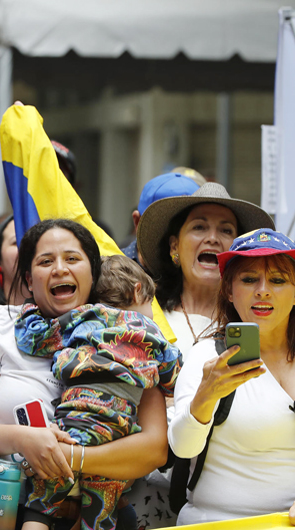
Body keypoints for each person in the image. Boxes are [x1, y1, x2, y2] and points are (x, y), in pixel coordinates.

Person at [0, 219, 170, 530]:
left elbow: (154, 448)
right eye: (45, 261)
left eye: (72, 258)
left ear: (93, 274)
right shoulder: (1, 324)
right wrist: (22, 439)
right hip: (5, 514)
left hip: (99, 508)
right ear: (28, 279)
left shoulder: (122, 334)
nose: (59, 269)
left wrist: (69, 457)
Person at [22, 254, 181, 530]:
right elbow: (173, 376)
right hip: (115, 437)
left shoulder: (82, 316)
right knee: (101, 513)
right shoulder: (152, 333)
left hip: (71, 427)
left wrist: (28, 312)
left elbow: (34, 340)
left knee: (41, 504)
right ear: (137, 290)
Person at [169, 228, 295, 525]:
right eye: (249, 279)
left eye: (278, 280)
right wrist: (206, 395)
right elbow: (183, 448)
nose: (263, 290)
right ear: (228, 290)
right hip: (216, 521)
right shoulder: (206, 356)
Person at [137, 182, 274, 361]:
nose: (212, 238)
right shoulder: (146, 313)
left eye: (226, 230)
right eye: (199, 227)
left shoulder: (252, 320)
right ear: (174, 246)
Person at [120, 173, 200, 268]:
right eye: (167, 224)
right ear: (138, 222)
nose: (176, 239)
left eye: (197, 227)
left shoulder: (205, 272)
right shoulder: (110, 274)